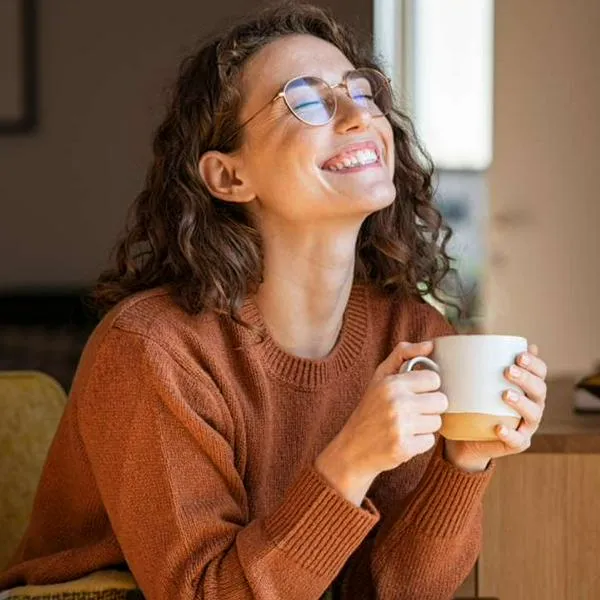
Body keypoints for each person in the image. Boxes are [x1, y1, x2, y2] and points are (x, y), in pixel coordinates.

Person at [0, 2, 548, 599]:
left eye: (362, 92)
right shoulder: (154, 350)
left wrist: (463, 463)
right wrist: (349, 462)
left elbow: (397, 592)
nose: (358, 116)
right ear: (229, 178)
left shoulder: (413, 335)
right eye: (307, 101)